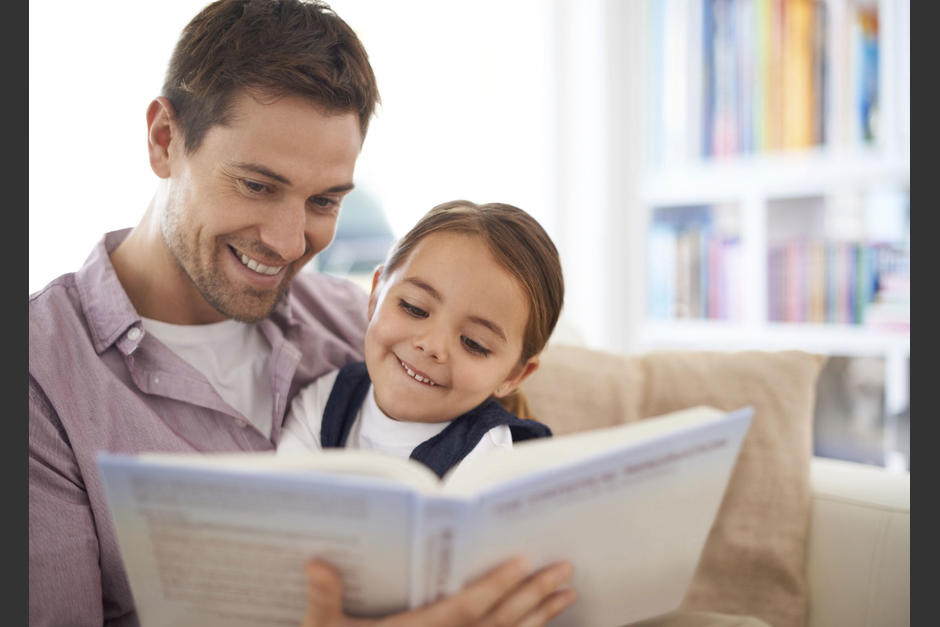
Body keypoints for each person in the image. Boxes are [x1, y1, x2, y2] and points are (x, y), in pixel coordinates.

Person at [28, 1, 576, 625]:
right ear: (164, 141)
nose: (291, 244)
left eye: (323, 200)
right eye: (257, 185)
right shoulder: (40, 380)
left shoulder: (362, 327)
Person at [278, 200, 562, 479]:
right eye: (414, 308)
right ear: (376, 295)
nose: (432, 345)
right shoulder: (323, 400)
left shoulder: (494, 459)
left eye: (473, 343)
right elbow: (286, 502)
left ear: (514, 375)